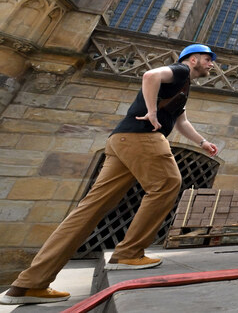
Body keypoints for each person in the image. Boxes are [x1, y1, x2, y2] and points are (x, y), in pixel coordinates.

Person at [1, 44, 219, 306]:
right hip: (143, 138)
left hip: (120, 140)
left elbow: (181, 121)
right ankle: (128, 252)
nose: (212, 65)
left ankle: (29, 284)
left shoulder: (182, 85)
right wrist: (150, 111)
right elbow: (149, 76)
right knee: (167, 183)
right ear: (193, 59)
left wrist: (202, 143)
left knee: (90, 208)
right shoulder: (181, 70)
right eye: (208, 60)